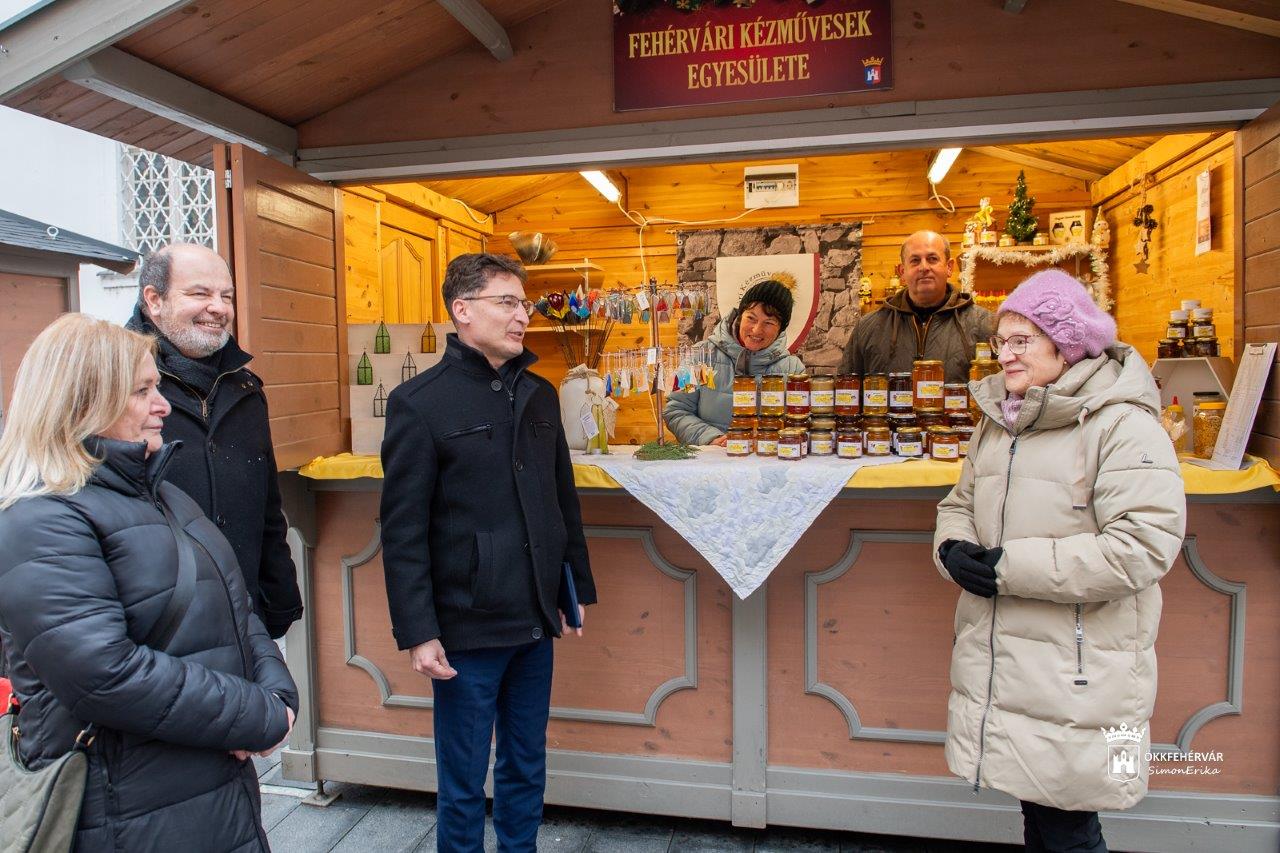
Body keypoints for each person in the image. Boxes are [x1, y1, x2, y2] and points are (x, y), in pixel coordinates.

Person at [0, 314, 298, 851]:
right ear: (84, 402)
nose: (162, 405)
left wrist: (277, 694)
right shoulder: (39, 520)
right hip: (123, 806)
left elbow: (236, 608)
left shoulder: (159, 493)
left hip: (205, 782)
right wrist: (254, 716)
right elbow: (102, 673)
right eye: (142, 391)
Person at [933, 270, 1186, 853]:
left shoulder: (1122, 425)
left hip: (1078, 666)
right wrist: (951, 549)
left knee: (1070, 826)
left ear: (1066, 344)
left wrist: (1005, 568)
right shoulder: (1002, 421)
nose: (1006, 354)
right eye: (1003, 341)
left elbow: (1142, 546)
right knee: (1039, 811)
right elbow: (961, 503)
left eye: (1023, 340)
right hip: (1013, 658)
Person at [379, 252, 596, 852]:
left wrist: (572, 590)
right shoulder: (418, 403)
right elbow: (402, 531)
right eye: (508, 302)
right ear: (463, 310)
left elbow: (561, 502)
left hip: (532, 619)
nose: (522, 315)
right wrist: (419, 631)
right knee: (464, 779)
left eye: (523, 303)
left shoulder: (540, 394)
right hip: (464, 630)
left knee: (527, 764)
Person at [126, 243, 302, 640]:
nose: (219, 308)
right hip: (158, 629)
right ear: (154, 300)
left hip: (243, 619)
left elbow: (266, 506)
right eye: (200, 293)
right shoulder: (113, 386)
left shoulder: (244, 388)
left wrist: (279, 597)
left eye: (226, 296)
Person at [838, 230, 994, 383]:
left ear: (949, 267)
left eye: (932, 259)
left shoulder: (983, 324)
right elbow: (847, 388)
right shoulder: (868, 327)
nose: (924, 267)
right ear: (902, 272)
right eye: (915, 260)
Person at [663, 279, 806, 445]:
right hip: (711, 463)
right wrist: (711, 438)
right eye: (751, 318)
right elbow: (676, 409)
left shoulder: (793, 370)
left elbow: (801, 421)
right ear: (740, 316)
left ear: (781, 328)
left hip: (766, 462)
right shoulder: (700, 357)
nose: (757, 330)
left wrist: (770, 437)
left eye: (769, 323)